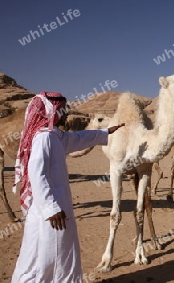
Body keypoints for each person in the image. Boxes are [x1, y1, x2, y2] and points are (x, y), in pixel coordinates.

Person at [11, 91, 124, 283]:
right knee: (48, 255)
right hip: (49, 211)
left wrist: (104, 132)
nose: (65, 114)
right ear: (51, 111)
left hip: (56, 205)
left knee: (57, 253)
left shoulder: (55, 135)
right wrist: (51, 208)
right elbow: (37, 175)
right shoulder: (44, 138)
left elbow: (77, 139)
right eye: (62, 110)